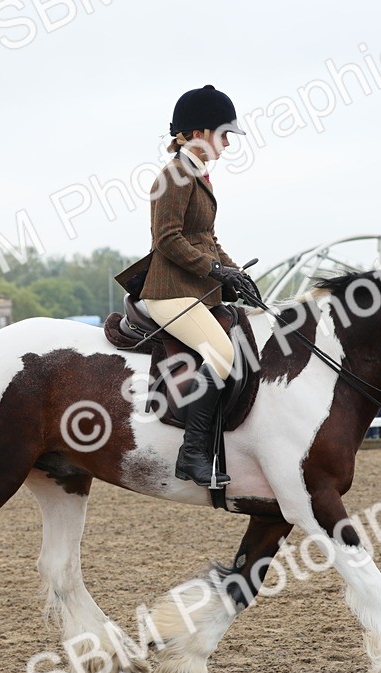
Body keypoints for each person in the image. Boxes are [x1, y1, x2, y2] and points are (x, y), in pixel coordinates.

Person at [116, 85, 254, 488]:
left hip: (195, 291)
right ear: (197, 133)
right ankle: (191, 454)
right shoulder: (174, 175)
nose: (228, 143)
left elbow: (206, 238)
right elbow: (168, 239)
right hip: (168, 292)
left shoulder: (197, 175)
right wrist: (215, 269)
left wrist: (236, 274)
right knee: (222, 352)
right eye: (224, 134)